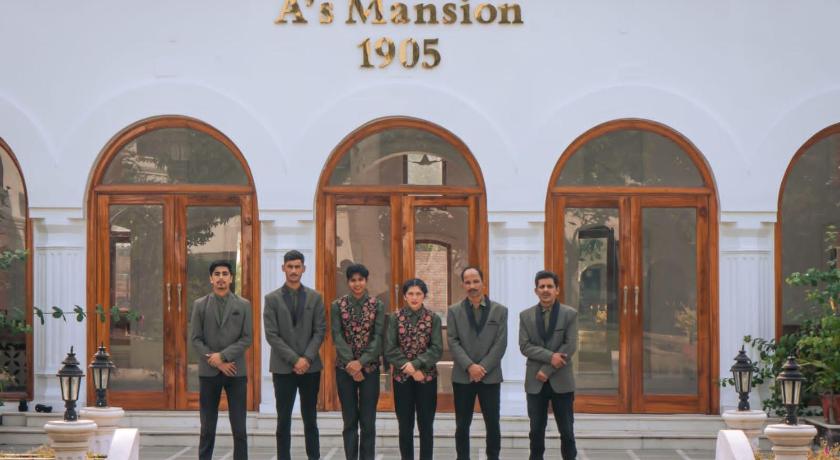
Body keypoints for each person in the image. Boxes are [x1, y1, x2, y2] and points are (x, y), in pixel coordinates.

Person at [264, 250, 326, 460]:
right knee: (283, 420)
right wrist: (295, 360)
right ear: (283, 268)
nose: (293, 270)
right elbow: (271, 335)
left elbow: (320, 331)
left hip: (311, 367)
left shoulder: (315, 297)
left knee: (311, 419)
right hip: (283, 368)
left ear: (303, 269)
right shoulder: (271, 299)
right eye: (289, 266)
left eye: (297, 267)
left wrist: (306, 359)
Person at [190, 260, 253, 460]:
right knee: (207, 427)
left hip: (235, 370)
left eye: (225, 274)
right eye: (216, 274)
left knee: (239, 427)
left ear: (231, 278)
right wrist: (216, 360)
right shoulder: (200, 305)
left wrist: (223, 357)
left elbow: (247, 338)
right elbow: (195, 339)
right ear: (211, 278)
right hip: (209, 372)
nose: (221, 278)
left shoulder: (243, 305)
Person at [447, 266, 508, 460]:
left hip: (490, 376)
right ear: (463, 285)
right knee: (462, 424)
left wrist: (482, 368)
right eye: (468, 282)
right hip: (463, 376)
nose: (472, 286)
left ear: (483, 282)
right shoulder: (454, 311)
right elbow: (453, 341)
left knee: (493, 423)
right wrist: (470, 366)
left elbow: (501, 343)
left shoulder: (500, 310)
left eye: (475, 281)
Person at [519, 270, 579, 460]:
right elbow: (525, 346)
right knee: (536, 431)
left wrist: (547, 370)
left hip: (561, 380)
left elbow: (570, 346)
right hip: (535, 382)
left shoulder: (569, 314)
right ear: (536, 290)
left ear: (557, 290)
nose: (545, 290)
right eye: (542, 286)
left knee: (567, 431)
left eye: (549, 286)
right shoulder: (525, 316)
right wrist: (551, 356)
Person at [330, 263, 385, 460]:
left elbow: (378, 337)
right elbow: (337, 336)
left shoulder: (377, 305)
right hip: (344, 369)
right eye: (353, 280)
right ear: (348, 282)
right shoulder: (337, 305)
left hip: (370, 369)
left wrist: (361, 363)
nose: (357, 284)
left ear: (366, 281)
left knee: (368, 421)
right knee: (350, 420)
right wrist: (351, 365)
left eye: (360, 280)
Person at [384, 278, 443, 460]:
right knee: (405, 426)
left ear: (424, 296)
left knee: (426, 426)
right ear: (404, 296)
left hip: (426, 378)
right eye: (410, 293)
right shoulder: (395, 318)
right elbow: (390, 349)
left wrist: (417, 365)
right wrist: (410, 369)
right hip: (402, 379)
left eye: (418, 293)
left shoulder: (433, 318)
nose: (414, 297)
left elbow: (436, 349)